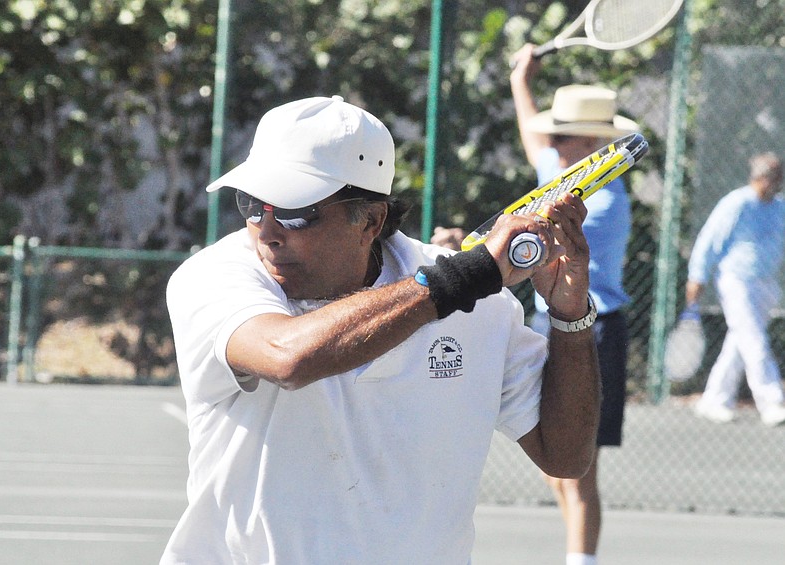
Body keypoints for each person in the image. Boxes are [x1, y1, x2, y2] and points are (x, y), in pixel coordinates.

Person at [161, 94, 601, 564]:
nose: (267, 230)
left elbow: (565, 456)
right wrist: (464, 278)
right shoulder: (216, 274)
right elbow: (286, 357)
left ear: (371, 219)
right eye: (252, 204)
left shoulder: (477, 298)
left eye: (295, 212)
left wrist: (570, 317)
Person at [509, 44, 638, 565]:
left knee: (578, 466)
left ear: (594, 142)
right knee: (553, 463)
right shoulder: (561, 177)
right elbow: (530, 134)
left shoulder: (598, 204)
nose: (551, 141)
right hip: (549, 322)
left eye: (562, 134)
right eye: (553, 132)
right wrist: (522, 79)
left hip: (594, 331)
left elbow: (528, 250)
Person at [686, 152, 785, 428]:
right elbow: (709, 240)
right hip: (736, 283)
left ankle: (714, 399)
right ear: (761, 178)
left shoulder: (780, 208)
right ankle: (772, 401)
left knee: (739, 344)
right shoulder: (736, 204)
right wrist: (697, 277)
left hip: (767, 285)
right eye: (775, 178)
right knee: (753, 342)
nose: (779, 183)